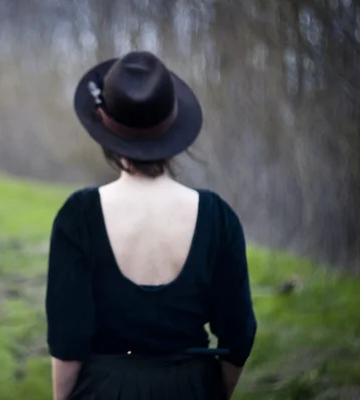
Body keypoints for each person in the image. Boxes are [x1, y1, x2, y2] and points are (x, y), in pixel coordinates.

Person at [45, 50, 257, 399]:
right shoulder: (217, 217)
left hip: (103, 389)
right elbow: (239, 335)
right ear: (172, 126)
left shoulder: (78, 215)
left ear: (106, 131)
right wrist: (210, 390)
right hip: (192, 386)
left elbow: (68, 342)